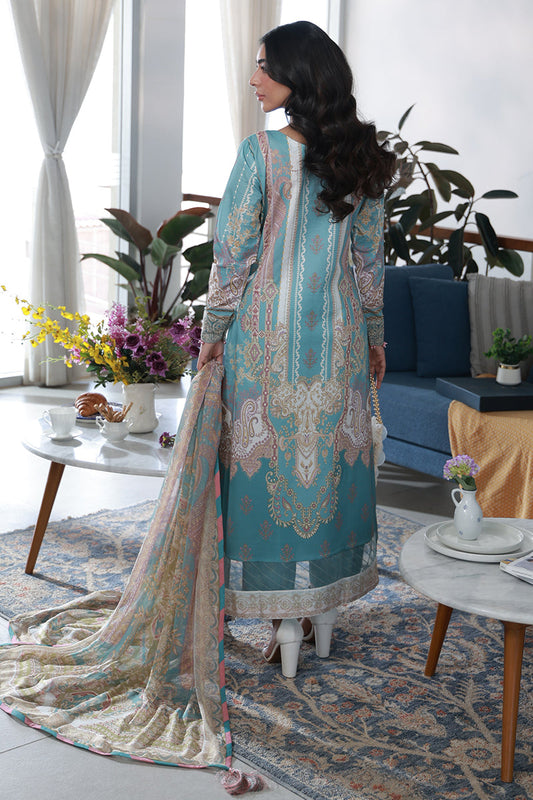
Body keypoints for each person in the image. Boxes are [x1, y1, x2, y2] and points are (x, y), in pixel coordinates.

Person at [197, 20, 396, 677]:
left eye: (264, 66)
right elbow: (368, 265)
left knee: (262, 478)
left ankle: (280, 614)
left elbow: (232, 256)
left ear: (299, 75)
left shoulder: (261, 154)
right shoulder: (362, 159)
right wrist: (375, 339)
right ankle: (317, 615)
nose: (253, 78)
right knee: (329, 476)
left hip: (264, 350)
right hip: (339, 349)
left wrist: (211, 336)